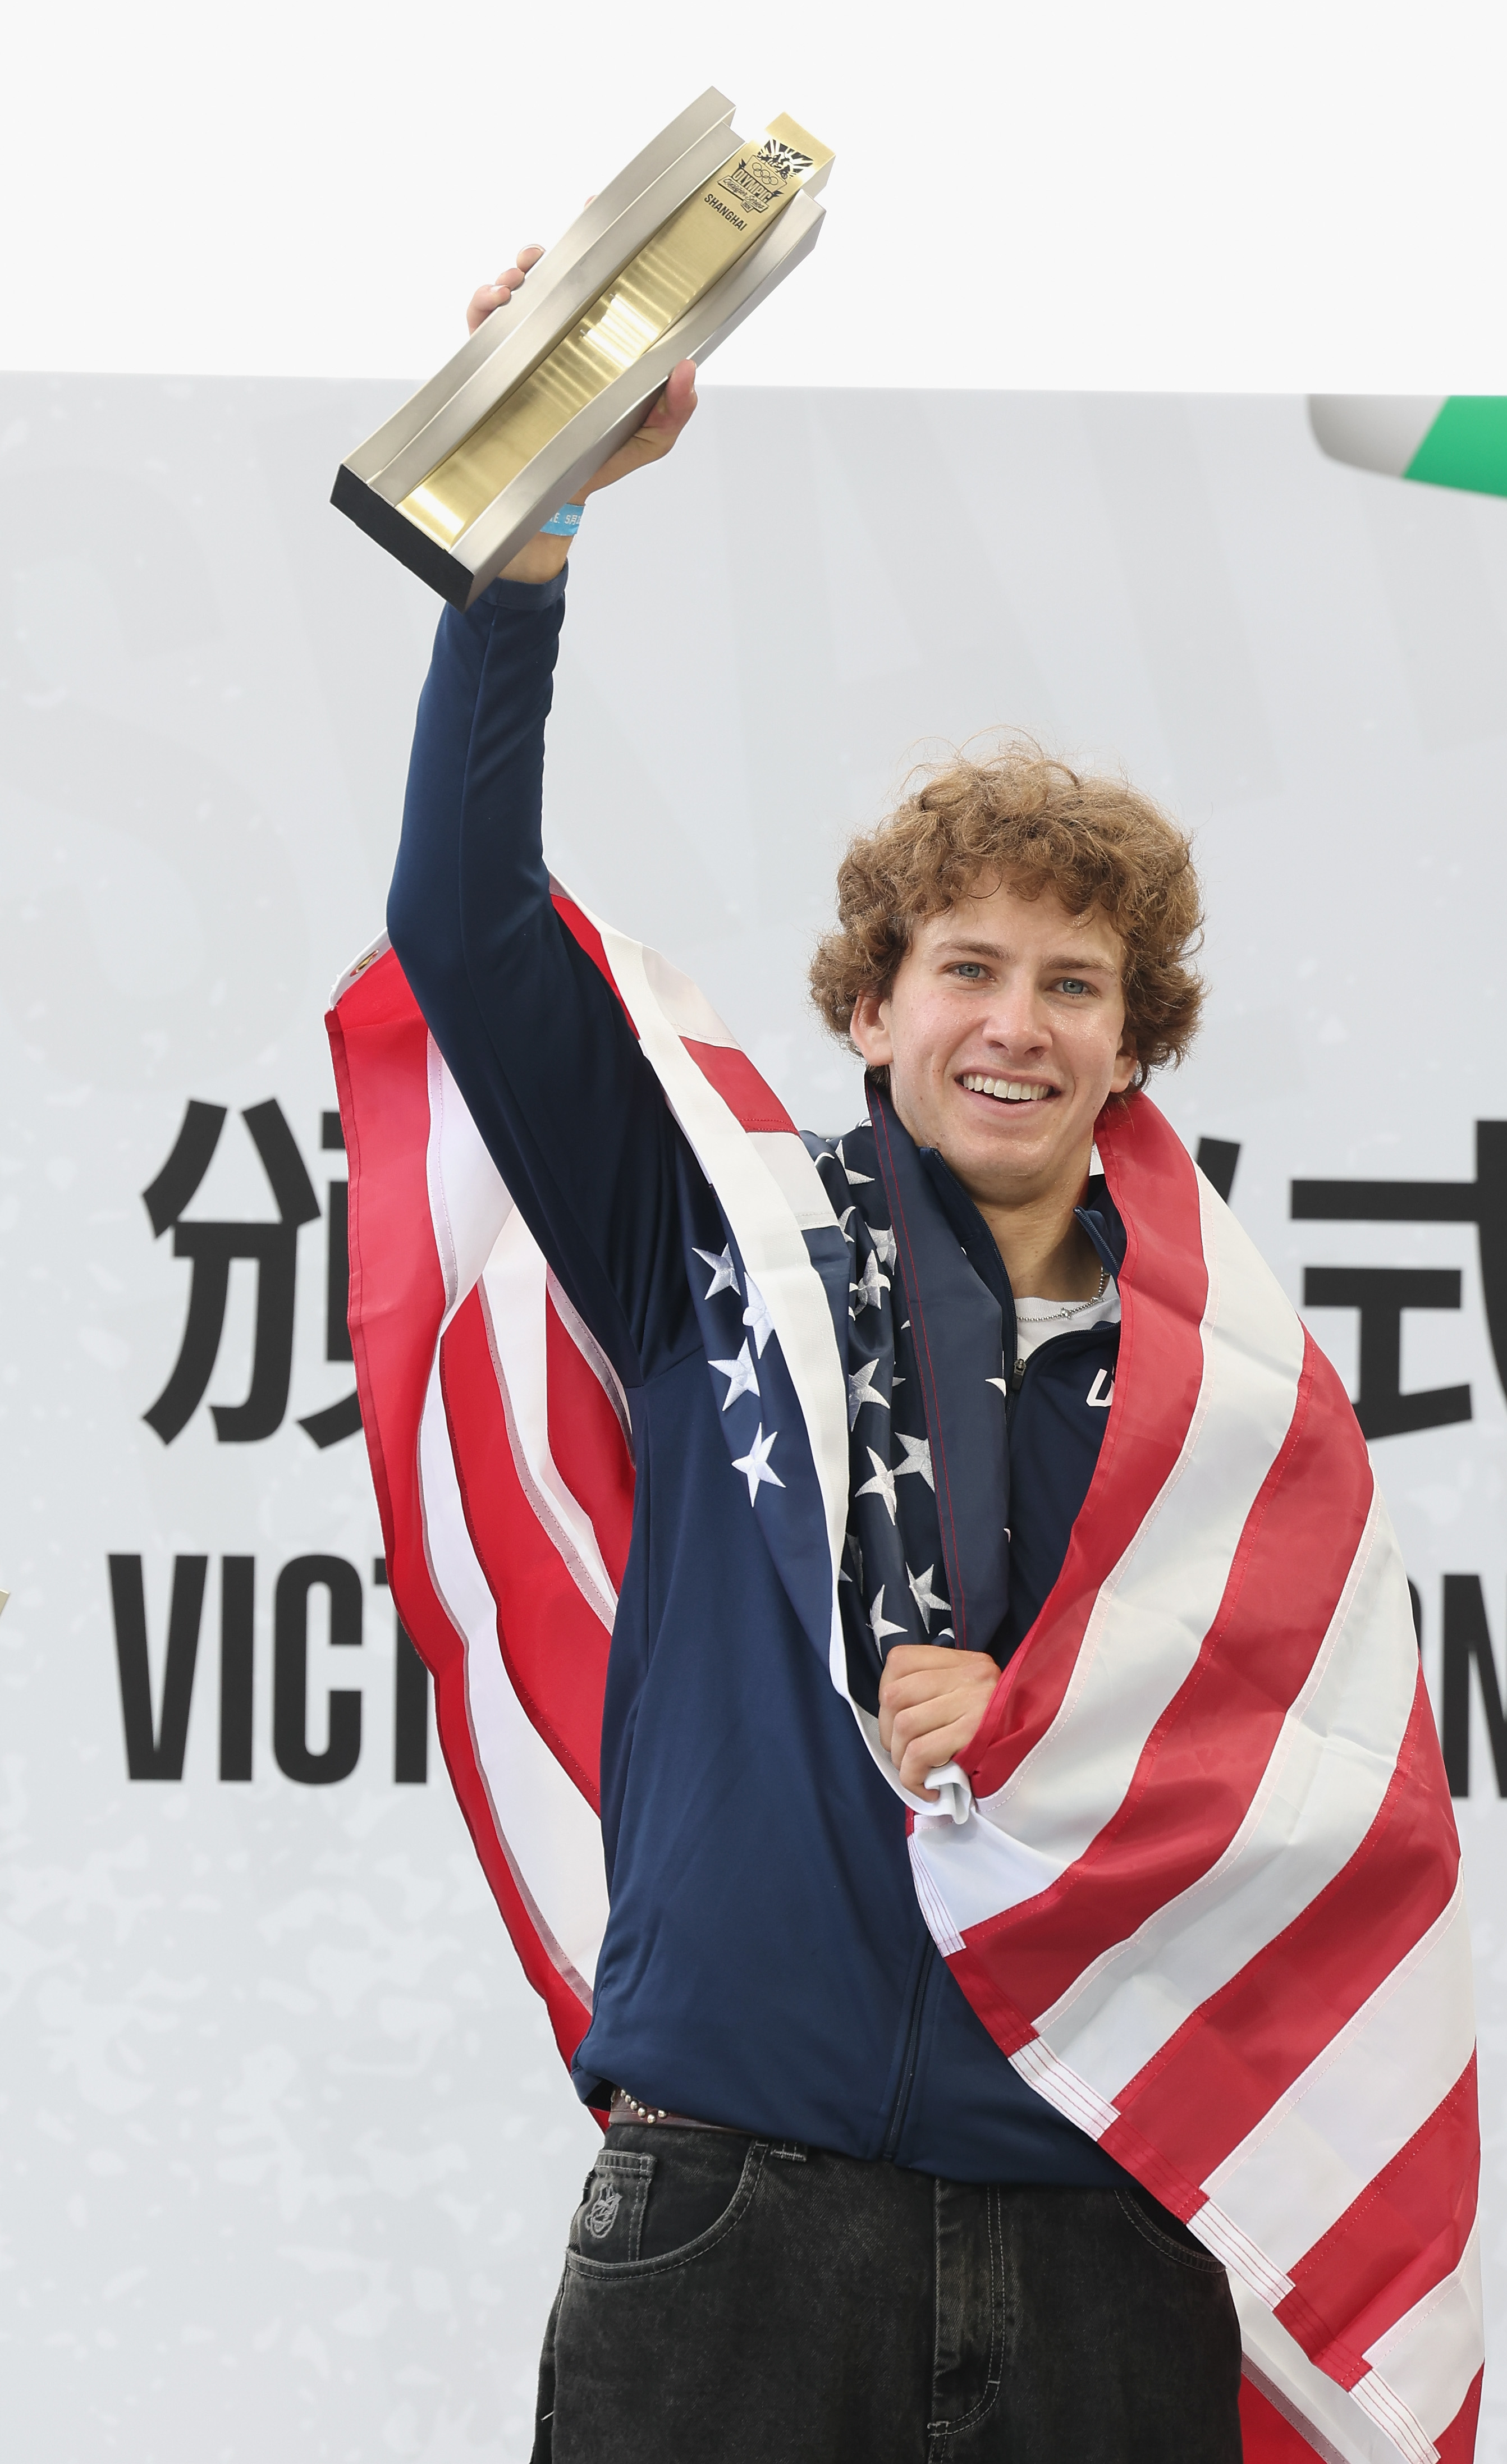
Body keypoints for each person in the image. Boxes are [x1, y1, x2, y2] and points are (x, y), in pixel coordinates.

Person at [386, 249, 1243, 2463]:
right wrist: (535, 533)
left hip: (1100, 2221)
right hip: (733, 2211)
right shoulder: (708, 1253)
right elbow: (463, 928)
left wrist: (1043, 1724)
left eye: (1075, 982)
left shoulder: (1229, 1396)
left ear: (1132, 1044)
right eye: (966, 964)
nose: (1014, 1020)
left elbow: (1300, 1794)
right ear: (869, 1009)